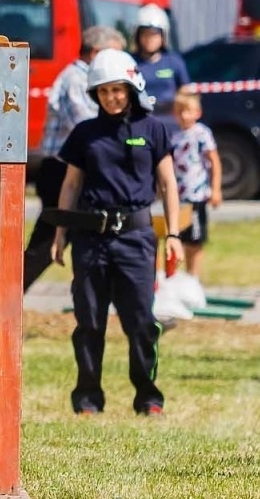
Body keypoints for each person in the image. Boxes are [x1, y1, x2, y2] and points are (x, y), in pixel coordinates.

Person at [50, 49, 182, 416]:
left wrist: (174, 234)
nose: (111, 97)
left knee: (141, 321)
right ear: (95, 94)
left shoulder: (154, 129)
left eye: (118, 90)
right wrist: (61, 231)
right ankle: (88, 398)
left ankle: (148, 396)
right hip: (91, 238)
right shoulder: (84, 134)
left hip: (136, 238)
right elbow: (71, 184)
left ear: (131, 88)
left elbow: (169, 183)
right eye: (104, 91)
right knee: (89, 321)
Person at [25, 26, 106, 290]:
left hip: (69, 169)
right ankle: (4, 298)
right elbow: (85, 126)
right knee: (45, 244)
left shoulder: (86, 78)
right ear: (96, 52)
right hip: (60, 172)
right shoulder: (76, 79)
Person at [169, 89, 221, 280]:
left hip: (197, 196)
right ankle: (174, 279)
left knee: (195, 241)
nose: (184, 116)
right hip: (178, 199)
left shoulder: (202, 134)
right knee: (177, 239)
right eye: (179, 111)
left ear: (197, 113)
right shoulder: (173, 137)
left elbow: (214, 161)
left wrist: (215, 189)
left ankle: (193, 278)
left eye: (188, 111)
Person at [132, 4, 189, 113]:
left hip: (169, 119)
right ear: (137, 35)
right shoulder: (129, 62)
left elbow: (185, 93)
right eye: (145, 34)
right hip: (139, 117)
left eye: (154, 34)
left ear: (163, 36)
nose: (150, 39)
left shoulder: (174, 62)